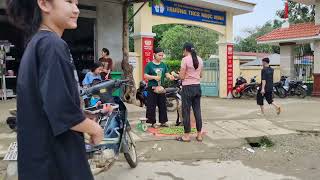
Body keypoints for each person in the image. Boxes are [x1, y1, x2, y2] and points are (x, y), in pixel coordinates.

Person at [6, 0, 103, 179]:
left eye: (77, 3)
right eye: (68, 1)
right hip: (57, 161)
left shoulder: (37, 43)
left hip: (40, 160)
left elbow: (46, 102)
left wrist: (82, 115)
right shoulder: (52, 45)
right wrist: (95, 129)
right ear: (44, 4)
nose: (76, 9)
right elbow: (62, 111)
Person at [176, 43, 204, 142]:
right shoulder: (200, 59)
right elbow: (201, 75)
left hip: (187, 88)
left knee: (186, 111)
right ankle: (199, 135)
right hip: (197, 87)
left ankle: (186, 136)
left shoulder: (185, 60)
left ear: (185, 50)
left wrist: (177, 75)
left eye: (183, 50)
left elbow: (182, 76)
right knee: (197, 111)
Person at [144, 47, 174, 128]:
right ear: (154, 55)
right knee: (151, 105)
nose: (161, 57)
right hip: (152, 88)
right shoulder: (149, 65)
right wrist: (154, 77)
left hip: (161, 88)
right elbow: (145, 75)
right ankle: (152, 122)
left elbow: (166, 73)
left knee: (162, 104)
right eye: (159, 55)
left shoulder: (163, 64)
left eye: (162, 55)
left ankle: (163, 121)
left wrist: (169, 76)